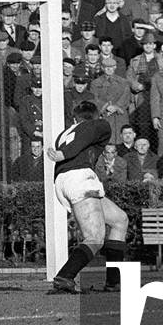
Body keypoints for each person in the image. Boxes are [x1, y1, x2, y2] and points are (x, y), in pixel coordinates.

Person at [46, 100, 129, 294]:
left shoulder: (66, 132)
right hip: (80, 178)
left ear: (75, 118)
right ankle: (64, 277)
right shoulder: (98, 125)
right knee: (95, 237)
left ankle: (114, 281)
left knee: (119, 220)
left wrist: (63, 152)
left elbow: (83, 135)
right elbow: (91, 130)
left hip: (66, 180)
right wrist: (63, 153)